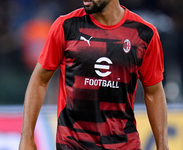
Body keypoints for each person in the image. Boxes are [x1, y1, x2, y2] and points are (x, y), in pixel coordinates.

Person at [19, 0, 169, 149]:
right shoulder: (65, 26)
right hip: (72, 144)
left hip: (123, 145)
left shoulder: (144, 33)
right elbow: (40, 80)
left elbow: (154, 92)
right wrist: (27, 137)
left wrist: (162, 145)